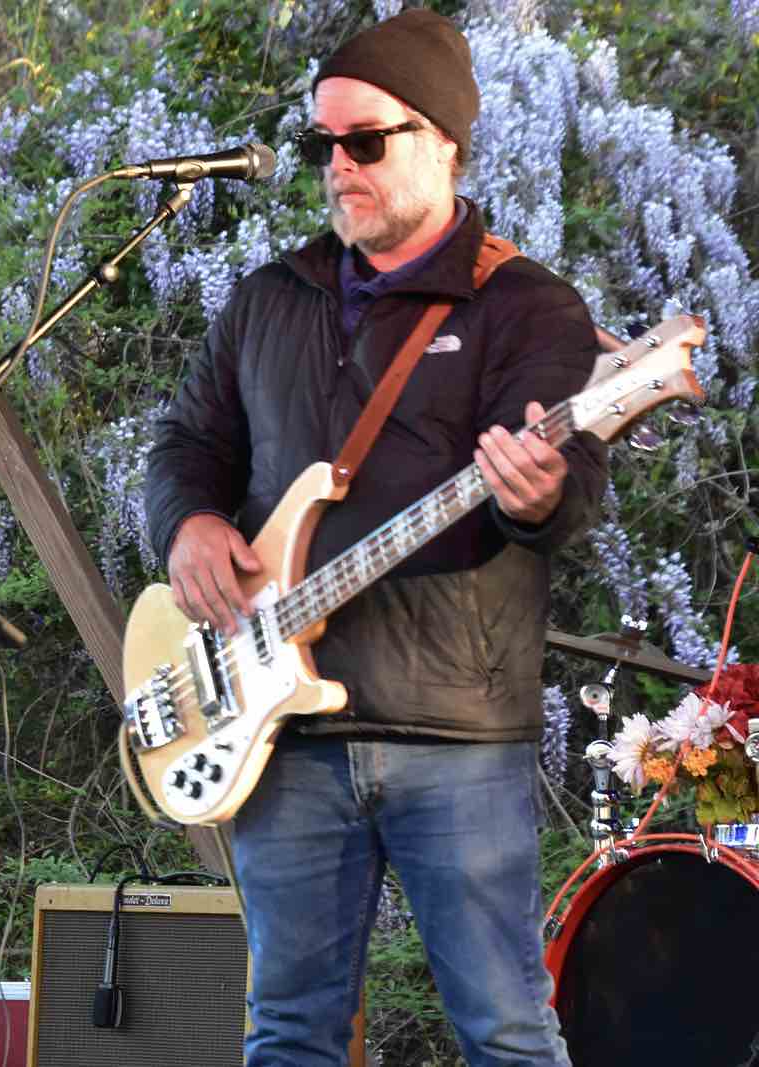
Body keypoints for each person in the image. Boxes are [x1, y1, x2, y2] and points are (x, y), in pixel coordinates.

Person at [143, 10, 605, 1066]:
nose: (338, 166)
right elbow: (185, 443)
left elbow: (568, 489)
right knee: (287, 1033)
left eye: (366, 141)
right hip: (281, 731)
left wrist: (535, 493)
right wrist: (188, 524)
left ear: (444, 141)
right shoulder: (270, 297)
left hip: (455, 731)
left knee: (506, 1032)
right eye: (324, 143)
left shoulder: (526, 306)